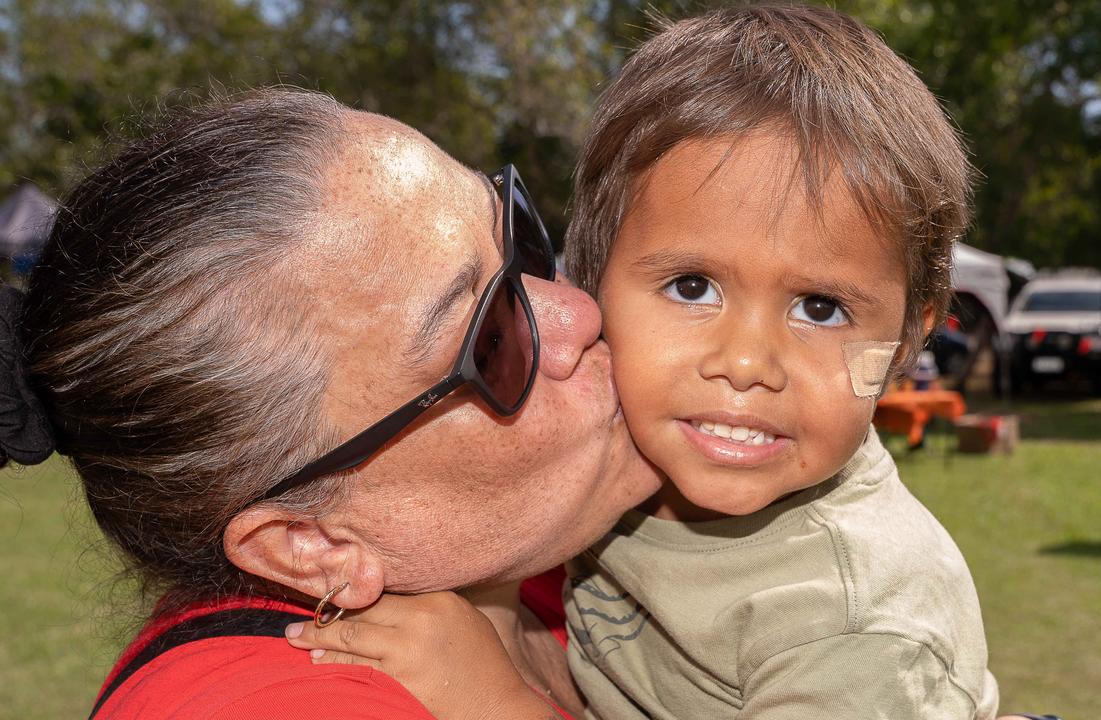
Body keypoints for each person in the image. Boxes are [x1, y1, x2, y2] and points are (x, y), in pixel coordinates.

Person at [288, 5, 1009, 720]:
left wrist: (493, 699)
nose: (747, 363)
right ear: (592, 283)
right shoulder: (620, 481)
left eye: (819, 308)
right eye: (691, 287)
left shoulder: (856, 630)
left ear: (905, 343)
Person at [0, 87, 661, 719]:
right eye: (489, 345)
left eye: (518, 236)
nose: (579, 311)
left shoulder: (585, 563)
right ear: (309, 544)